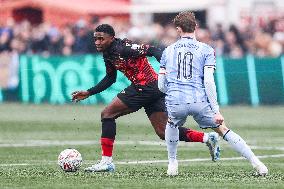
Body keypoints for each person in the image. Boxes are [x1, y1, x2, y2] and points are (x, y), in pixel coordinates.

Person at [71, 24, 220, 173]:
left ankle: (106, 162)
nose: (97, 42)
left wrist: (167, 70)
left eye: (101, 39)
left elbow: (154, 50)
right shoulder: (108, 53)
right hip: (153, 89)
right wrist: (90, 92)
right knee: (163, 132)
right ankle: (207, 138)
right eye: (95, 39)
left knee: (107, 114)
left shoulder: (124, 48)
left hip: (145, 87)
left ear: (111, 38)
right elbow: (111, 78)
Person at [158, 11, 268, 176]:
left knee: (171, 124)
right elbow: (208, 81)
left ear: (178, 29)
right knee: (223, 130)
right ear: (196, 27)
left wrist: (171, 92)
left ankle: (172, 164)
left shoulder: (167, 51)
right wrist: (215, 110)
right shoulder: (206, 49)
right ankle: (257, 164)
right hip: (199, 102)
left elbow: (161, 85)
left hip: (176, 101)